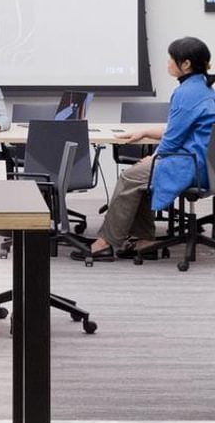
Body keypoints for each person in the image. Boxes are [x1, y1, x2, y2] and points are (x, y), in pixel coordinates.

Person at [89, 36, 215, 260]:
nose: (167, 63)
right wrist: (146, 132)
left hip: (191, 165)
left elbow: (173, 139)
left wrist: (154, 158)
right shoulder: (201, 89)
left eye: (171, 59)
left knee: (131, 177)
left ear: (185, 64)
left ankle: (105, 243)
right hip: (202, 163)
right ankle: (145, 242)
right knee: (140, 177)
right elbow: (181, 129)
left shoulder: (186, 93)